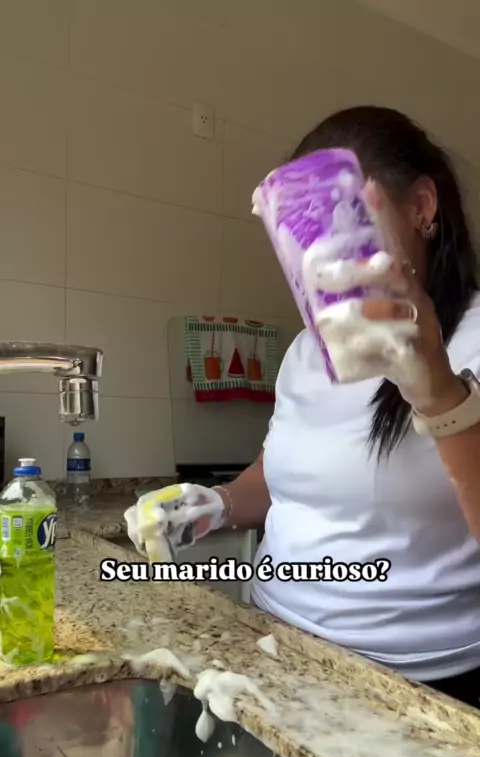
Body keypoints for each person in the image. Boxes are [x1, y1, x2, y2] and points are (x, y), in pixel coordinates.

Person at [133, 106, 480, 708]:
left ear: (422, 208)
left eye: (349, 221)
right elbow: (275, 476)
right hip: (272, 653)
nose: (325, 255)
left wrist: (439, 396)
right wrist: (216, 504)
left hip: (418, 691)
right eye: (305, 234)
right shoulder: (303, 352)